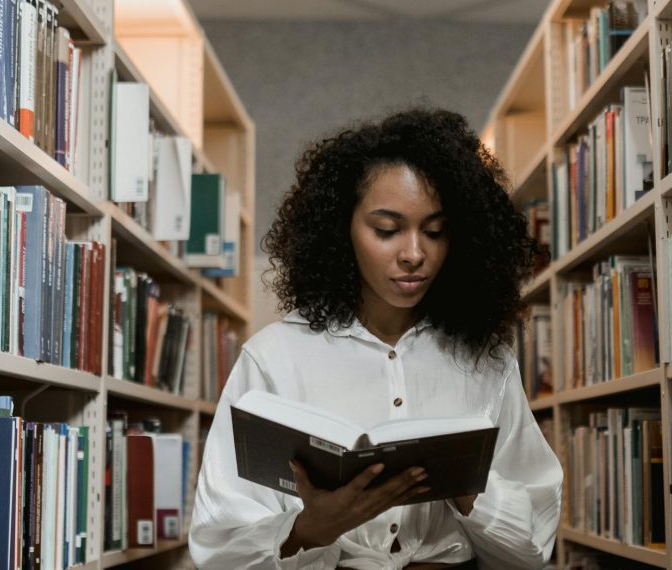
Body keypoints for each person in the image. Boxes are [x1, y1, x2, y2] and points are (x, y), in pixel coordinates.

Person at [189, 108, 563, 569]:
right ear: (340, 229)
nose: (414, 254)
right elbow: (219, 549)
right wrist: (312, 529)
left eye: (435, 231)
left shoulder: (487, 360)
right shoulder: (273, 357)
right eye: (386, 230)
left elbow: (532, 548)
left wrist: (466, 487)